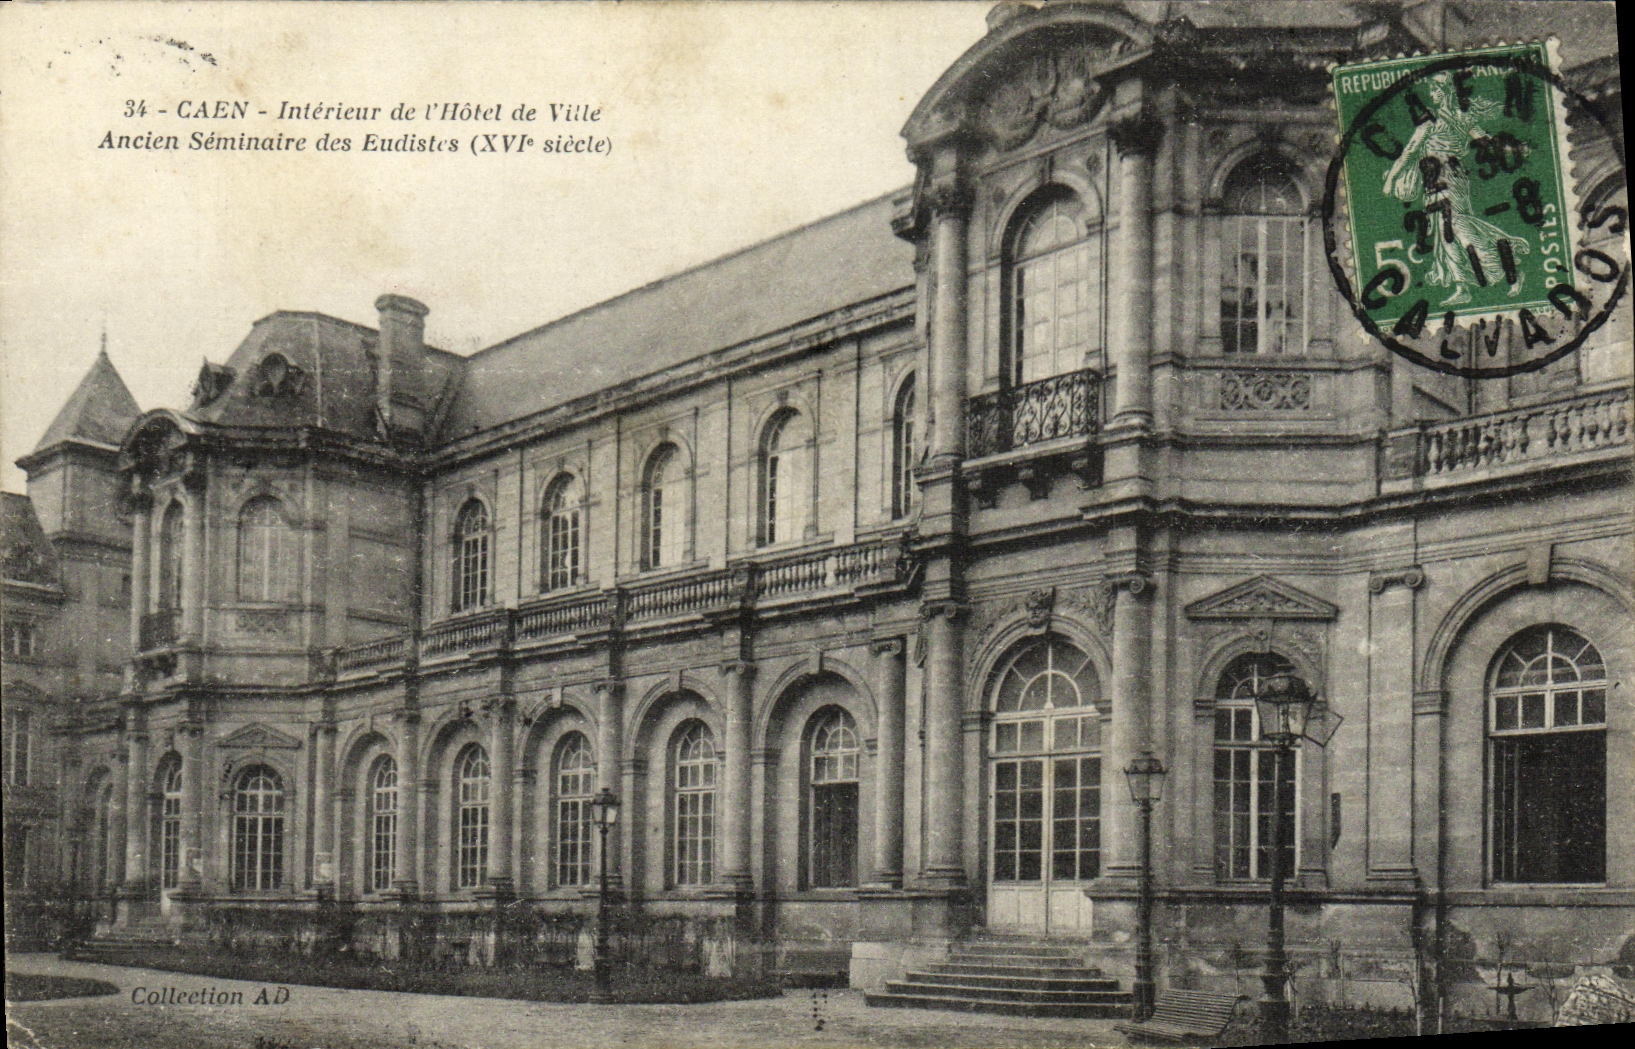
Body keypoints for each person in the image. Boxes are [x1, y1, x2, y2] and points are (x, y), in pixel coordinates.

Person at [1383, 72, 1528, 305]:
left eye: (1435, 90)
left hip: (1449, 181)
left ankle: (1507, 269)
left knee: (1459, 229)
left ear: (1446, 93)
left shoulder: (1436, 122)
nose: (1431, 94)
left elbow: (1409, 152)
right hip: (1436, 183)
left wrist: (1391, 180)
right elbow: (1486, 141)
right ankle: (1463, 287)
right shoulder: (1458, 119)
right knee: (1445, 237)